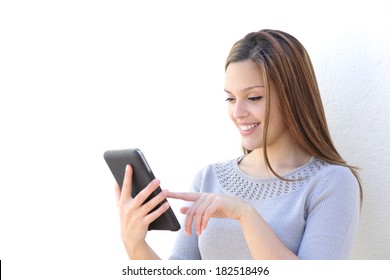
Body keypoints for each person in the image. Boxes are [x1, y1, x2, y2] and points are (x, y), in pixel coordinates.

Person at [115, 29, 362, 260]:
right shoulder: (209, 179)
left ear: (293, 98)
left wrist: (245, 214)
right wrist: (134, 243)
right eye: (231, 98)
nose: (238, 112)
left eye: (253, 97)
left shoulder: (331, 183)